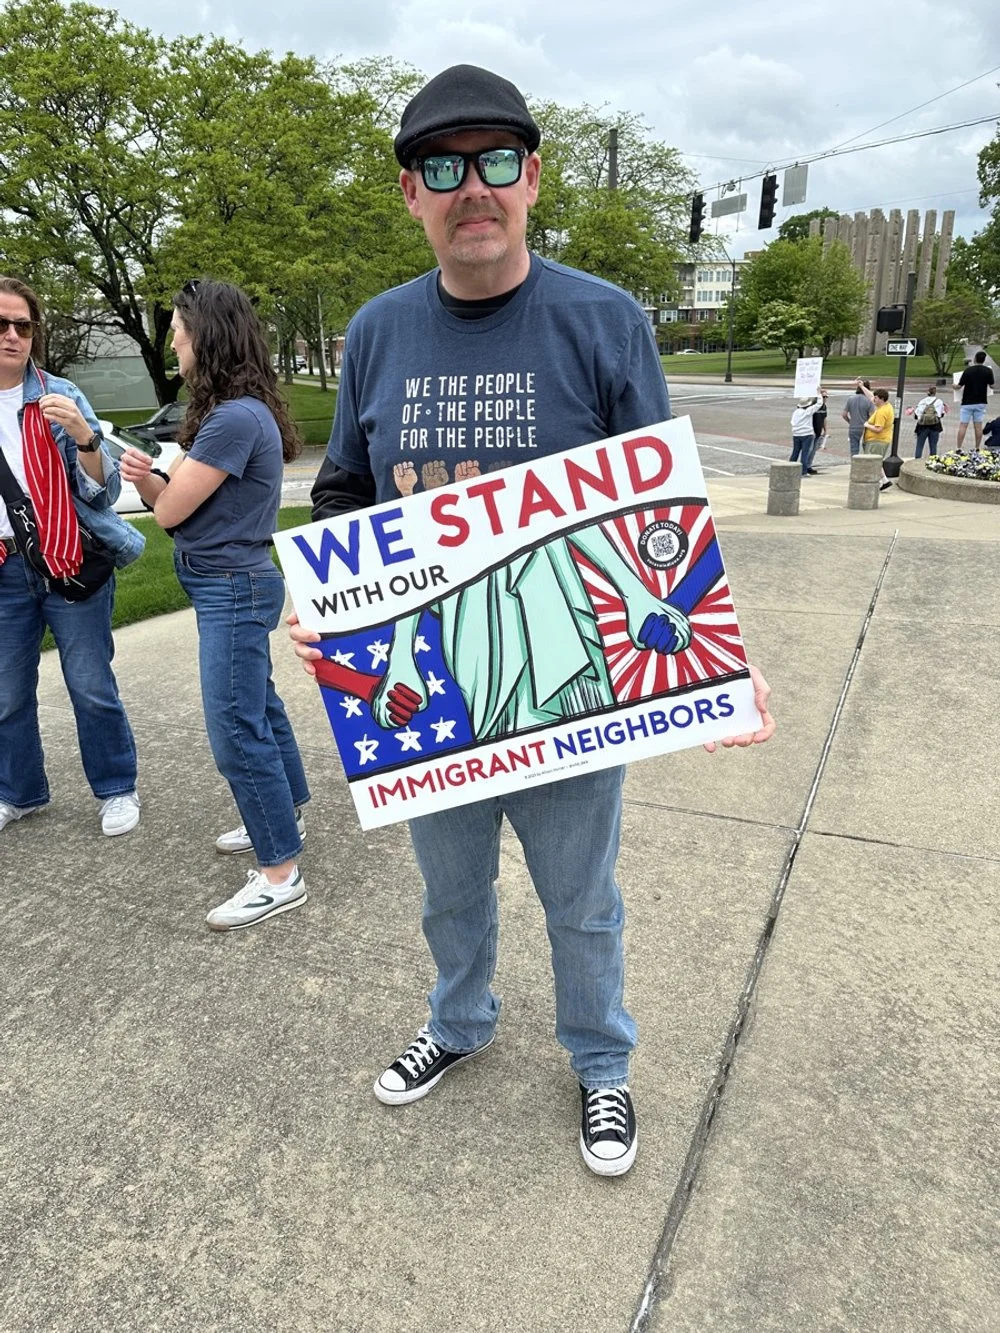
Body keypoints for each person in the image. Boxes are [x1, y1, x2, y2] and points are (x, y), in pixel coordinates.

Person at [289, 64, 776, 1178]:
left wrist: (719, 662)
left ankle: (601, 1064)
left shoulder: (603, 320)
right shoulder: (374, 332)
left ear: (532, 180)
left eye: (495, 161)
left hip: (572, 681)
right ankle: (459, 1025)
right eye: (443, 166)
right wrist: (323, 603)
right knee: (448, 893)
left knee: (580, 901)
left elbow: (664, 519)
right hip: (431, 694)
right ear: (410, 193)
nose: (474, 187)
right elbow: (342, 491)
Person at [120, 280, 311, 932]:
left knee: (236, 730)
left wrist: (142, 475)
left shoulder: (232, 417)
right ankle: (289, 814)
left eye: (178, 331)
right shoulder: (247, 409)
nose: (173, 342)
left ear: (206, 335)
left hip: (231, 585)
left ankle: (280, 871)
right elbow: (182, 498)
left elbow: (170, 509)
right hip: (238, 581)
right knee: (260, 706)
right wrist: (150, 474)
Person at [0, 275, 143, 838]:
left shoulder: (58, 395)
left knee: (89, 683)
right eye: (0, 324)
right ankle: (20, 792)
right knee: (7, 692)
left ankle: (116, 789)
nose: (12, 335)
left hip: (68, 557)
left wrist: (86, 437)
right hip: (4, 566)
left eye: (23, 325)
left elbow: (102, 493)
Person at [955, 350, 995, 452]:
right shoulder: (988, 371)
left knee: (963, 425)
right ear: (984, 360)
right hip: (981, 402)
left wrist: (954, 386)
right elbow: (992, 385)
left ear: (975, 359)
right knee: (978, 426)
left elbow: (959, 386)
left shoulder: (968, 371)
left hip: (967, 402)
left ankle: (959, 447)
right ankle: (977, 447)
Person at [906, 386, 947, 459]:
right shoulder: (939, 402)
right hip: (935, 426)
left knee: (919, 446)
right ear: (935, 392)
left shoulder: (922, 401)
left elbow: (916, 415)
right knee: (933, 446)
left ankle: (917, 462)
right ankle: (933, 462)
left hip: (922, 426)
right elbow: (941, 414)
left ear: (928, 392)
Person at [789, 396, 819, 475]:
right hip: (807, 434)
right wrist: (819, 394)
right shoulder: (808, 412)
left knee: (795, 452)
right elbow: (819, 404)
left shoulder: (795, 412)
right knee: (805, 453)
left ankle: (790, 468)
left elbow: (792, 422)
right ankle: (803, 471)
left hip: (796, 434)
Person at [841, 380, 872, 457]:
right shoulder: (869, 401)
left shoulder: (851, 399)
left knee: (854, 450)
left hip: (853, 427)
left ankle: (854, 465)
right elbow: (872, 416)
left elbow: (844, 414)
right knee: (867, 449)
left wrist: (850, 421)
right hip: (865, 428)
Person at [807, 388, 828, 473]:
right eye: (823, 397)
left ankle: (809, 465)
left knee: (813, 451)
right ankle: (804, 465)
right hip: (811, 431)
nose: (825, 398)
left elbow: (824, 418)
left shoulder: (824, 407)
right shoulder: (814, 407)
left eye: (826, 397)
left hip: (818, 431)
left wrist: (825, 430)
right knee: (809, 449)